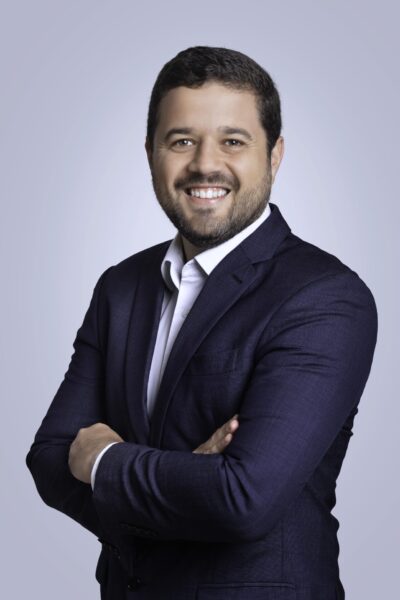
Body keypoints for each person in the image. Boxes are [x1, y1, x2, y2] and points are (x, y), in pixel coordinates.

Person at [26, 46, 378, 600]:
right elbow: (49, 458)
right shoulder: (120, 287)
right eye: (181, 141)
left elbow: (244, 499)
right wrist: (183, 482)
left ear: (275, 155)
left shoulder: (325, 298)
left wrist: (105, 461)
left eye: (233, 141)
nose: (204, 165)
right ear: (151, 154)